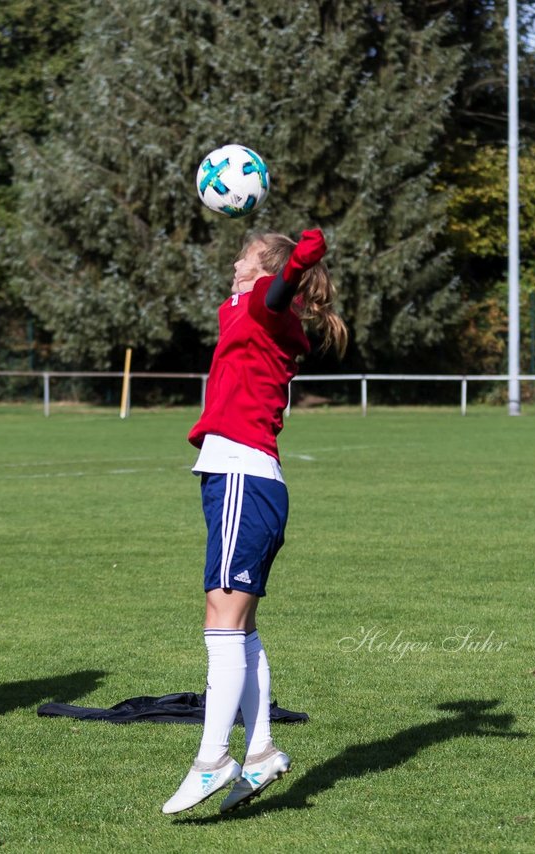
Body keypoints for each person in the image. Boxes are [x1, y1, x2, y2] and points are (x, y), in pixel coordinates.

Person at [162, 229, 347, 814]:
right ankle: (261, 749)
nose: (233, 261)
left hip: (245, 475)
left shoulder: (270, 299)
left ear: (263, 266)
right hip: (237, 476)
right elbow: (257, 301)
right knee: (238, 626)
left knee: (221, 616)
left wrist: (294, 264)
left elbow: (277, 292)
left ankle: (212, 760)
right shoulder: (243, 307)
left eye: (242, 254)